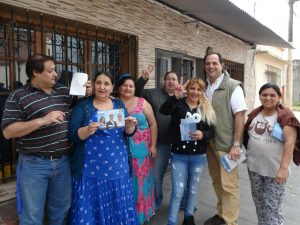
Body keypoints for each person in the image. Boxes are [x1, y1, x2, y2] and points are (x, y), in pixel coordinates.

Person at [1, 54, 92, 225]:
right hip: (34, 164)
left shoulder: (62, 91)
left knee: (60, 211)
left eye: (55, 70)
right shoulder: (18, 96)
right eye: (50, 71)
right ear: (36, 72)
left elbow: (83, 98)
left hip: (62, 161)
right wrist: (42, 120)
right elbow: (8, 131)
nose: (55, 74)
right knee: (32, 216)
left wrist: (87, 91)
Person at [68, 71, 139, 225]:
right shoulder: (83, 106)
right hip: (90, 171)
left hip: (117, 168)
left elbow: (128, 132)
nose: (102, 87)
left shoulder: (118, 104)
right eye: (98, 82)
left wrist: (130, 126)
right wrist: (87, 130)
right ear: (93, 85)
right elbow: (72, 135)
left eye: (106, 83)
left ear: (112, 87)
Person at [160, 78, 216, 225]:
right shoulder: (178, 103)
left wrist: (203, 135)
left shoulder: (206, 108)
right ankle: (171, 221)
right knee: (178, 192)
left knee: (192, 190)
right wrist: (175, 96)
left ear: (202, 92)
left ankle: (188, 218)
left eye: (198, 89)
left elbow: (212, 130)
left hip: (198, 156)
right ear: (187, 89)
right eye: (192, 88)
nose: (195, 92)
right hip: (178, 155)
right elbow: (163, 111)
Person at [243, 83, 299, 225]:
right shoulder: (255, 114)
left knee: (273, 209)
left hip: (275, 172)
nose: (268, 98)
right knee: (260, 205)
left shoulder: (286, 117)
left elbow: (290, 143)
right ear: (260, 96)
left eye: (272, 95)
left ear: (279, 97)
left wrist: (283, 169)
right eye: (264, 95)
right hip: (254, 169)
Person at [203, 52, 247, 225]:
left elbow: (240, 116)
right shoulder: (206, 86)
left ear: (222, 65)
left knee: (229, 185)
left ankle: (230, 220)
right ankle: (222, 213)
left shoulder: (232, 86)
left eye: (214, 63)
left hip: (227, 145)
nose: (211, 66)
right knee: (217, 181)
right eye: (208, 63)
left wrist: (236, 144)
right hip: (210, 142)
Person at [135, 66, 179, 208]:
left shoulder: (184, 96)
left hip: (180, 145)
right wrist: (143, 79)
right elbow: (137, 93)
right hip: (160, 143)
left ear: (178, 82)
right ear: (164, 81)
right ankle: (156, 202)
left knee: (181, 178)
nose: (171, 81)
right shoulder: (154, 94)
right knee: (156, 176)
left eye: (174, 79)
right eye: (168, 79)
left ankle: (183, 203)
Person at [118, 74, 157, 224]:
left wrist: (153, 145)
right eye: (124, 85)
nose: (128, 88)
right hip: (121, 151)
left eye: (131, 86)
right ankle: (125, 214)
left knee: (140, 183)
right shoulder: (114, 104)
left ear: (135, 88)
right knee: (125, 183)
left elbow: (153, 124)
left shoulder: (143, 103)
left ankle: (140, 215)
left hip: (141, 151)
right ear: (119, 88)